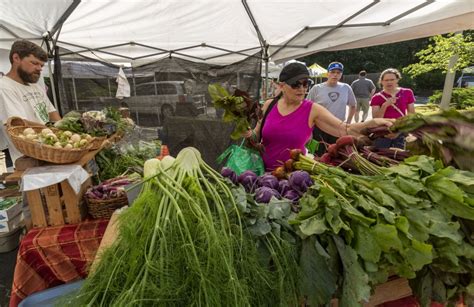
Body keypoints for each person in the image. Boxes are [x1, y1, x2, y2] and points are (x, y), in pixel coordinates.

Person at [244, 62, 393, 171]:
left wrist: (372, 122)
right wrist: (248, 134)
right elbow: (257, 134)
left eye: (305, 84)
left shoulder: (312, 110)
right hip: (261, 173)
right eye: (296, 84)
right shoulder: (269, 105)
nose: (302, 89)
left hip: (292, 178)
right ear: (281, 85)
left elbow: (345, 129)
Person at [0, 40, 61, 165]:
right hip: (31, 159)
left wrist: (65, 131)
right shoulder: (4, 87)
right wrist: (55, 134)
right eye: (34, 63)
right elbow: (18, 125)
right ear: (16, 58)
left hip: (54, 151)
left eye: (41, 66)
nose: (39, 69)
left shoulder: (35, 87)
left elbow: (52, 113)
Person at [306, 62, 357, 156]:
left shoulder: (346, 88)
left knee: (336, 155)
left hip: (338, 127)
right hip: (320, 128)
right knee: (319, 155)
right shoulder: (317, 88)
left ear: (341, 75)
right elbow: (307, 108)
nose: (335, 75)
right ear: (327, 73)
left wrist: (348, 123)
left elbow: (353, 105)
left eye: (338, 72)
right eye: (333, 72)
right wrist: (308, 128)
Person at [370, 68, 415, 148]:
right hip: (383, 133)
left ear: (397, 80)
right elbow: (376, 119)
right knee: (381, 156)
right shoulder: (376, 97)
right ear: (382, 81)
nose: (389, 82)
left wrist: (400, 131)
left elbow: (411, 115)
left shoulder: (407, 92)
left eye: (392, 79)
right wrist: (385, 105)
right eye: (386, 80)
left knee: (400, 156)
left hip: (401, 131)